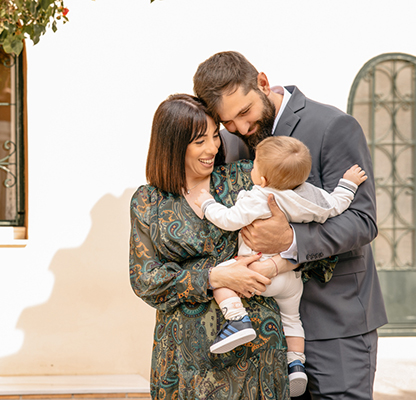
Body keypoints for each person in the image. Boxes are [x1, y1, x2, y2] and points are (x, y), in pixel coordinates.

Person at [193, 51, 387, 400]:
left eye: (245, 112)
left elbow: (363, 221)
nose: (241, 129)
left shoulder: (333, 126)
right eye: (228, 122)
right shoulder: (230, 141)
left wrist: (290, 239)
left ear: (263, 83)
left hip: (336, 323)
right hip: (265, 336)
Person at [130, 93, 333, 399]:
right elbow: (145, 280)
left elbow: (314, 241)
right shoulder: (148, 202)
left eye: (215, 136)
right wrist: (215, 277)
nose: (213, 147)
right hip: (186, 364)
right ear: (173, 145)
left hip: (259, 357)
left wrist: (277, 262)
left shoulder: (247, 179)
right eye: (200, 141)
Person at [194, 135, 368, 397]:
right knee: (292, 319)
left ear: (263, 179)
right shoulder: (310, 195)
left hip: (257, 270)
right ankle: (296, 363)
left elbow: (228, 219)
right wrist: (348, 184)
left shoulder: (260, 197)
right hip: (290, 277)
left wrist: (207, 203)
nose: (251, 168)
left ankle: (237, 320)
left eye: (255, 166)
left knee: (222, 279)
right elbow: (336, 205)